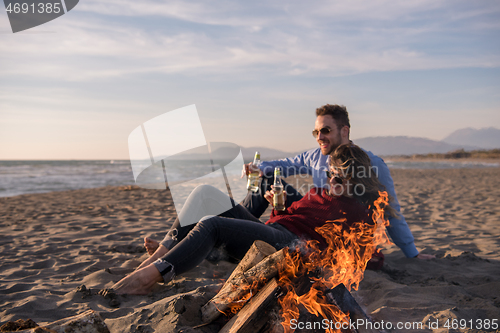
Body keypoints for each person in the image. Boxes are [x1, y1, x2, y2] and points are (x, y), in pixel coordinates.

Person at [112, 144, 394, 295]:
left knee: (212, 224)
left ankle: (148, 278)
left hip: (293, 247)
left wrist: (378, 261)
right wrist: (277, 206)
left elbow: (363, 253)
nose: (332, 180)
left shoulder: (359, 210)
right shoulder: (321, 191)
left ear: (355, 178)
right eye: (330, 172)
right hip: (277, 230)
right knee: (204, 193)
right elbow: (289, 219)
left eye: (339, 177)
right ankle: (153, 260)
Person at [241, 104, 434, 260]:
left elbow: (390, 209)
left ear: (344, 131)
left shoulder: (372, 164)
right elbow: (285, 164)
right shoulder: (316, 156)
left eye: (325, 130)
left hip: (340, 234)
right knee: (264, 180)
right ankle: (235, 232)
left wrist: (412, 253)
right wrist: (257, 167)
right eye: (316, 132)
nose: (319, 137)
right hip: (311, 220)